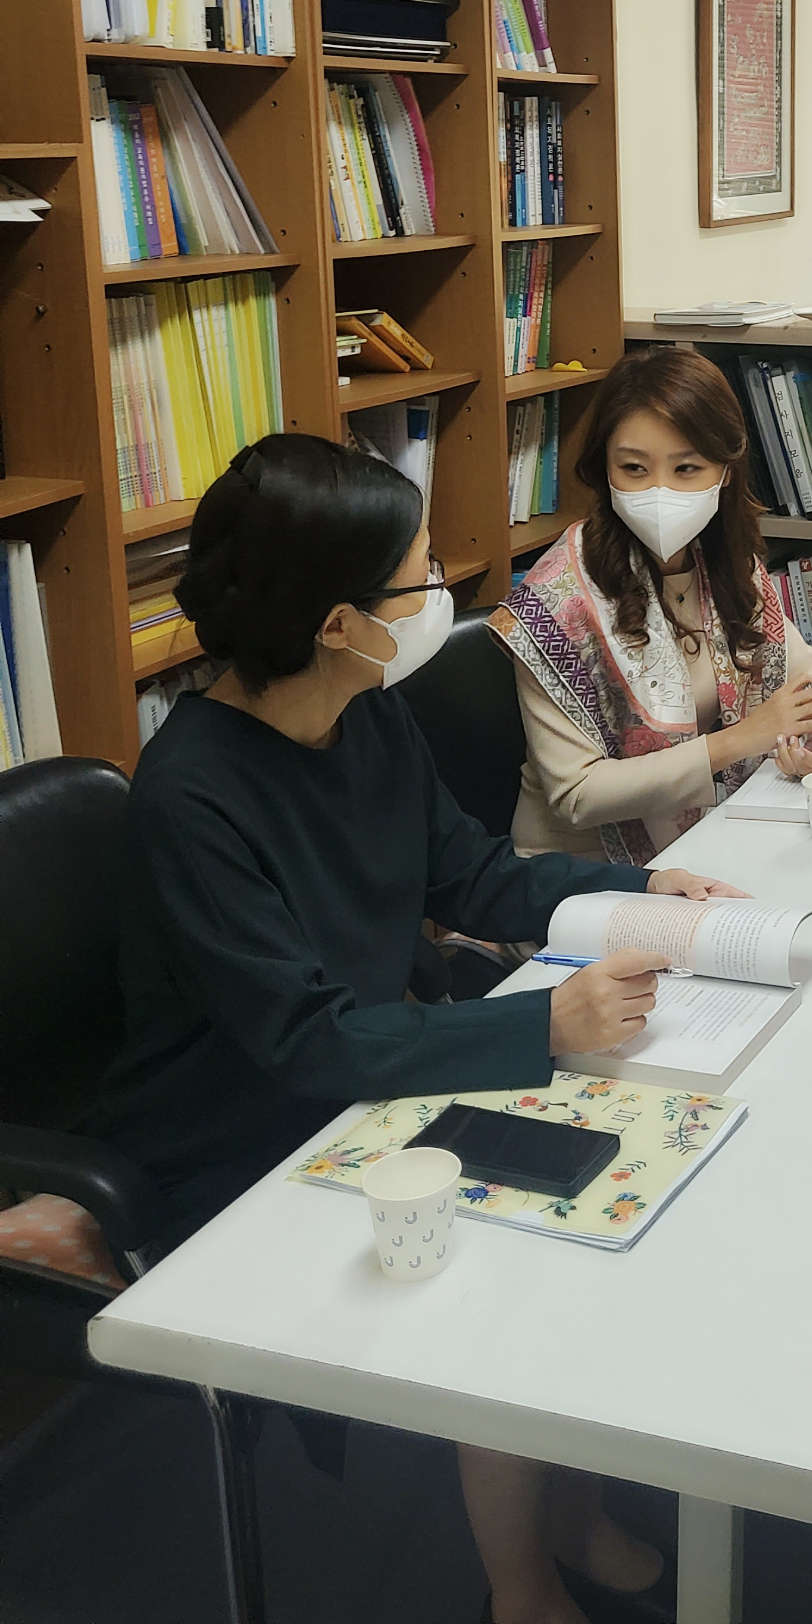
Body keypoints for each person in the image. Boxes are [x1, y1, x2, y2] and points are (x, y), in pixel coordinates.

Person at [87, 434, 741, 1624]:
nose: (444, 590)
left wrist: (640, 892)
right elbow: (305, 1042)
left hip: (375, 1066)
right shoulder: (192, 796)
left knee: (627, 1172)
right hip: (245, 1132)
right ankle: (520, 1588)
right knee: (531, 1258)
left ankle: (573, 1510)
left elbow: (475, 877)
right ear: (341, 622)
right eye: (420, 573)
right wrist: (544, 1023)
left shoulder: (363, 714)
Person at [495, 345, 812, 864]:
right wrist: (740, 740)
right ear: (604, 468)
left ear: (725, 470)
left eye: (686, 468)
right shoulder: (558, 600)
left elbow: (809, 676)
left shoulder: (724, 561)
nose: (659, 492)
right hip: (586, 870)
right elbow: (577, 794)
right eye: (634, 468)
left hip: (705, 839)